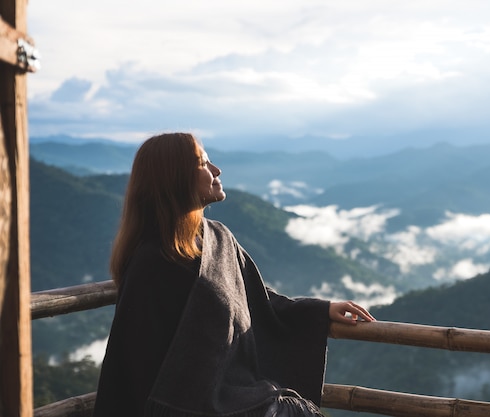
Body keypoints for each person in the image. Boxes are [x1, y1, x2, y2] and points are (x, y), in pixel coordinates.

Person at [93, 132, 375, 417]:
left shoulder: (218, 237)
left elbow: (258, 300)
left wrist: (321, 310)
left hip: (237, 399)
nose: (217, 170)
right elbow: (133, 363)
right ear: (174, 177)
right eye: (202, 163)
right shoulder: (153, 263)